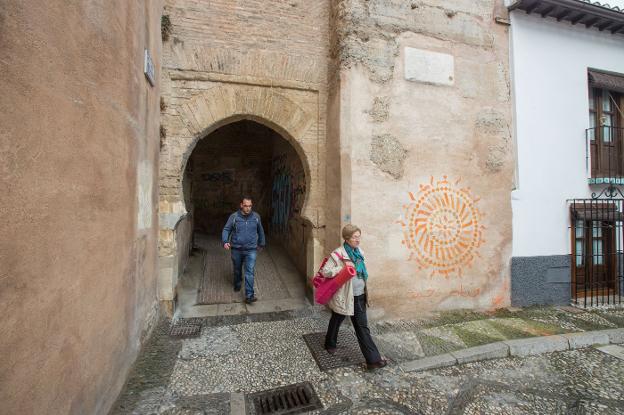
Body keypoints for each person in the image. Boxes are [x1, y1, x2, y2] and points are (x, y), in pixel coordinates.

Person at [321, 224, 387, 370]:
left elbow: (361, 272)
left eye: (359, 236)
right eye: (355, 237)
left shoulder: (359, 252)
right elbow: (325, 272)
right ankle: (330, 343)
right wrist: (341, 268)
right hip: (345, 296)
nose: (358, 240)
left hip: (360, 295)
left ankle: (373, 360)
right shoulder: (338, 254)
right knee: (337, 319)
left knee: (362, 327)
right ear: (347, 238)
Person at [222, 196, 266, 304]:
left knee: (249, 272)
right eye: (245, 206)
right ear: (241, 205)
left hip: (251, 250)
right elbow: (226, 229)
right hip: (236, 249)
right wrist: (225, 241)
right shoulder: (234, 217)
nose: (248, 208)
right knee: (237, 270)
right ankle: (237, 283)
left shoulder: (256, 217)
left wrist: (262, 243)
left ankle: (249, 296)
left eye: (250, 206)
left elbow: (260, 231)